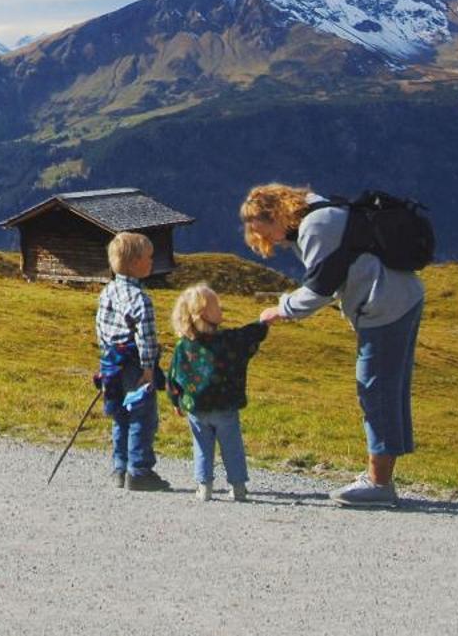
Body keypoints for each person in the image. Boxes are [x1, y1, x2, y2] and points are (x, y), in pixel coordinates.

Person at [243, 182, 426, 508]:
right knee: (389, 388)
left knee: (374, 389)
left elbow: (320, 288)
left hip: (385, 305)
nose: (269, 241)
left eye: (265, 231)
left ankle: (378, 484)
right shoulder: (322, 209)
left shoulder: (316, 226)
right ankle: (381, 475)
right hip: (401, 297)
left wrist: (280, 309)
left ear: (276, 213)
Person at [167, 283, 267, 502]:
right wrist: (264, 323)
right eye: (216, 305)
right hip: (225, 407)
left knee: (202, 447)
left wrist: (175, 400)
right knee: (232, 446)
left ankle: (204, 488)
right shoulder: (228, 341)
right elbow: (248, 336)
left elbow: (173, 376)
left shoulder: (184, 346)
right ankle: (238, 487)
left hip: (196, 408)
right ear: (204, 313)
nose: (221, 308)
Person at [95, 230, 171, 492]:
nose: (152, 261)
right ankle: (139, 471)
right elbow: (147, 338)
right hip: (136, 365)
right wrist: (149, 368)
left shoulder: (107, 292)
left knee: (120, 414)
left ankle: (119, 468)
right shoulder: (140, 299)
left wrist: (107, 358)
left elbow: (101, 328)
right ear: (135, 262)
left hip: (112, 363)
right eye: (149, 257)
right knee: (142, 415)